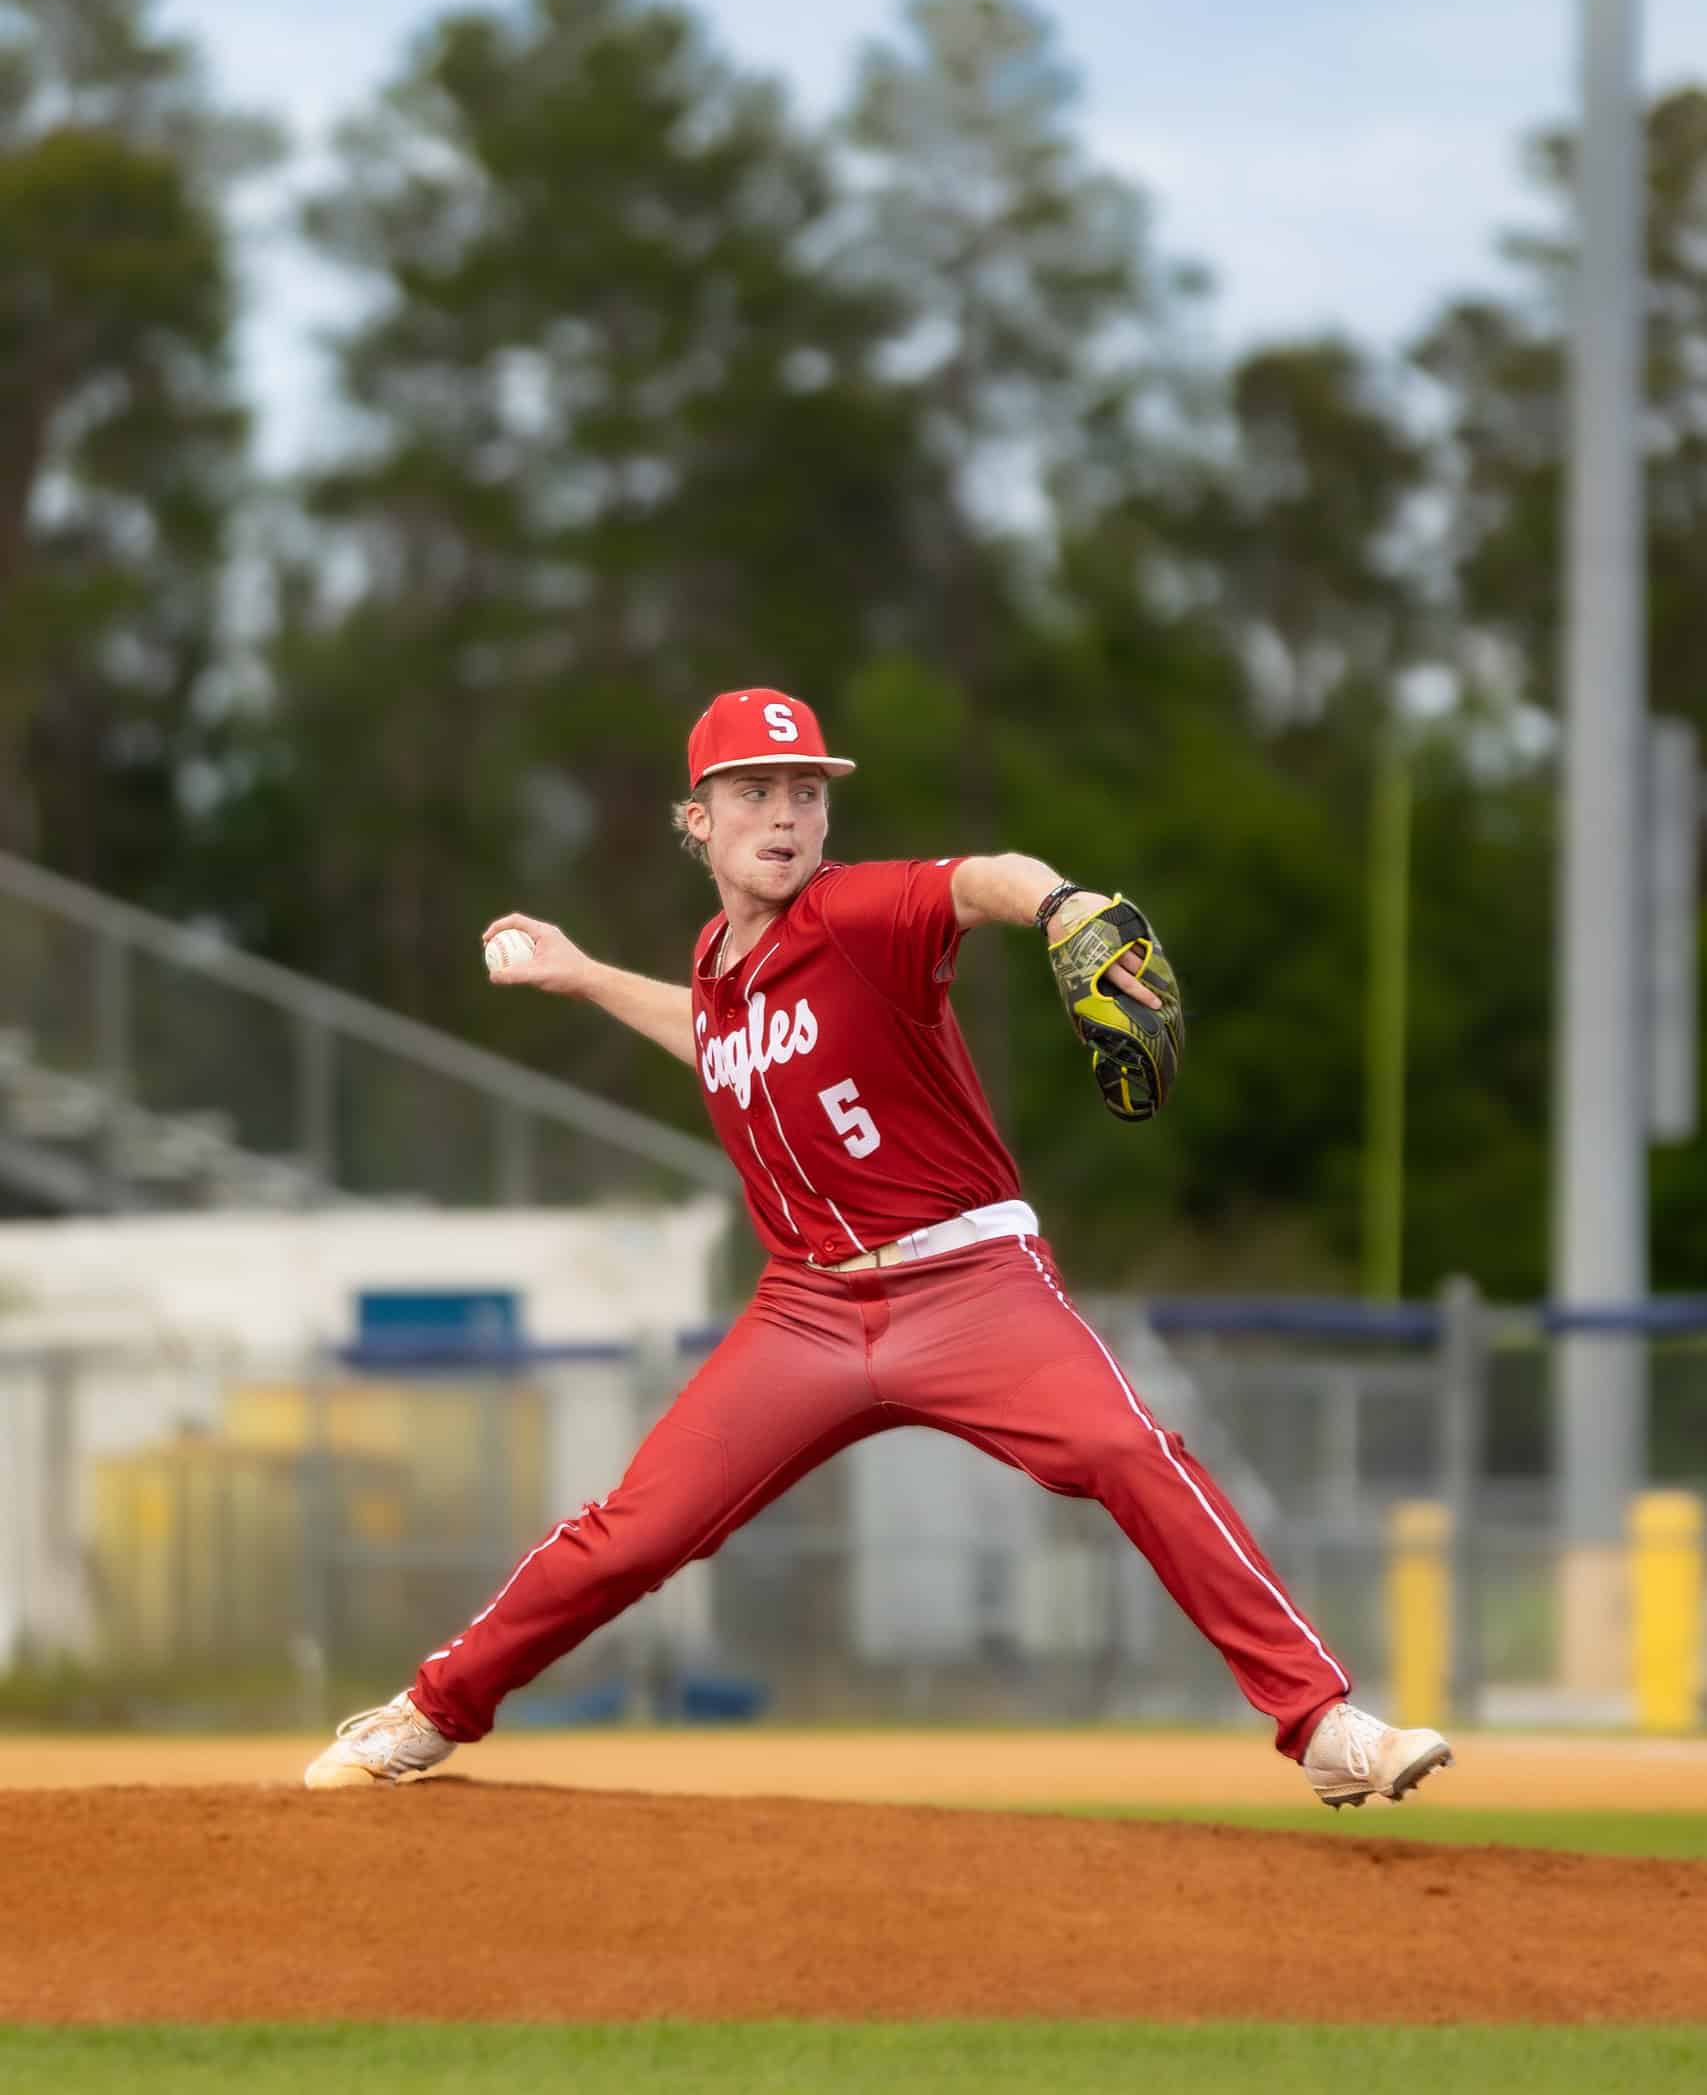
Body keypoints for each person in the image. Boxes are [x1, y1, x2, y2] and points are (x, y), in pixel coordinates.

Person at [306, 686, 1452, 1807]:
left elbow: (981, 880)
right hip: (805, 1310)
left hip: (969, 1283)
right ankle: (427, 1713)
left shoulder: (858, 917)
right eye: (754, 792)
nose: (787, 815)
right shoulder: (717, 961)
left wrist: (1062, 908)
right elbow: (714, 1037)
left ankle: (1321, 1724)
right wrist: (585, 974)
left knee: (1132, 1452)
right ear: (697, 820)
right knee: (632, 1535)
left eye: (806, 790)